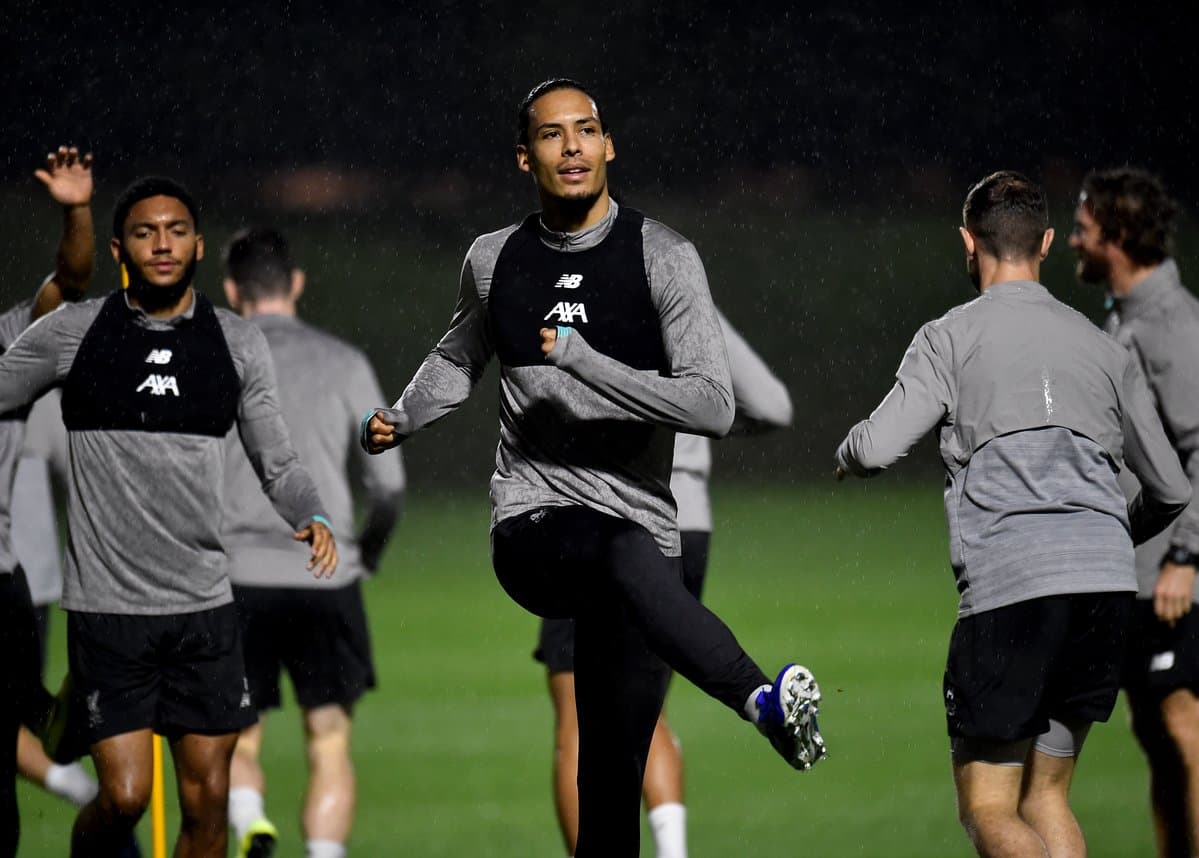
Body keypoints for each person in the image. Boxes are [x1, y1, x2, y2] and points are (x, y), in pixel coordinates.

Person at [363, 78, 825, 857]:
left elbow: (712, 406)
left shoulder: (664, 256)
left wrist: (586, 362)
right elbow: (458, 354)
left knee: (608, 805)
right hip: (534, 527)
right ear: (525, 157)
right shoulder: (494, 258)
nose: (571, 145)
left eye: (585, 130)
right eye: (551, 134)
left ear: (609, 145)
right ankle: (759, 700)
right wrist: (403, 416)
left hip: (643, 546)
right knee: (617, 547)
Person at [835, 170, 1191, 858]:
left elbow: (876, 449)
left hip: (1014, 592)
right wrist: (1111, 534)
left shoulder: (948, 336)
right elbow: (1172, 489)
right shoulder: (1104, 346)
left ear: (967, 243)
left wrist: (846, 455)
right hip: (1104, 591)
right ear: (1047, 243)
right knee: (1046, 796)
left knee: (989, 808)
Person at [0, 175, 338, 858]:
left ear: (198, 245)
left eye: (176, 231)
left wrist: (310, 511)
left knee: (207, 806)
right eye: (146, 232)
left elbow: (276, 457)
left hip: (203, 610)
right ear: (120, 249)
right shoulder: (74, 332)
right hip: (109, 612)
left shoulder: (235, 342)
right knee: (125, 797)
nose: (162, 244)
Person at [536, 309, 793, 858]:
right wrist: (694, 422)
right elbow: (772, 406)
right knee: (644, 710)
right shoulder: (688, 302)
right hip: (684, 524)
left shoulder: (573, 295)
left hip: (598, 514)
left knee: (580, 718)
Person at [219, 227, 405, 858]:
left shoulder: (214, 363)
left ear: (231, 290)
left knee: (236, 736)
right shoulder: (345, 363)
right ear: (296, 283)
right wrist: (367, 550)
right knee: (328, 742)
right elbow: (388, 484)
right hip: (326, 577)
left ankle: (250, 820)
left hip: (236, 578)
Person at [1070, 167, 1199, 858]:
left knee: (1182, 726)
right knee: (1154, 731)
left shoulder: (1169, 324)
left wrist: (1186, 558)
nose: (1072, 242)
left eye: (1083, 230)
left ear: (1117, 236)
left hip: (1170, 575)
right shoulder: (1127, 318)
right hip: (1135, 570)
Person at [0, 145, 96, 858]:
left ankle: (75, 742)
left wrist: (77, 213)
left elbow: (69, 280)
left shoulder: (9, 348)